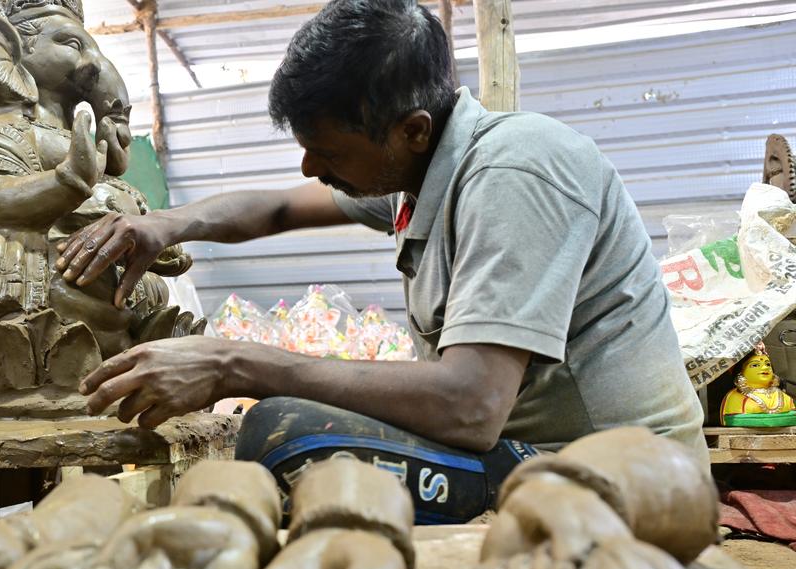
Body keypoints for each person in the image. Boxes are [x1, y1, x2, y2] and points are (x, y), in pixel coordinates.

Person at [53, 0, 706, 523]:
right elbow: (276, 209)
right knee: (288, 427)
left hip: (629, 479)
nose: (312, 168)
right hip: (520, 449)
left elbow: (471, 407)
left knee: (285, 431)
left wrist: (233, 362)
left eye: (329, 151)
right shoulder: (423, 172)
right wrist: (160, 224)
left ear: (412, 130)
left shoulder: (514, 173)